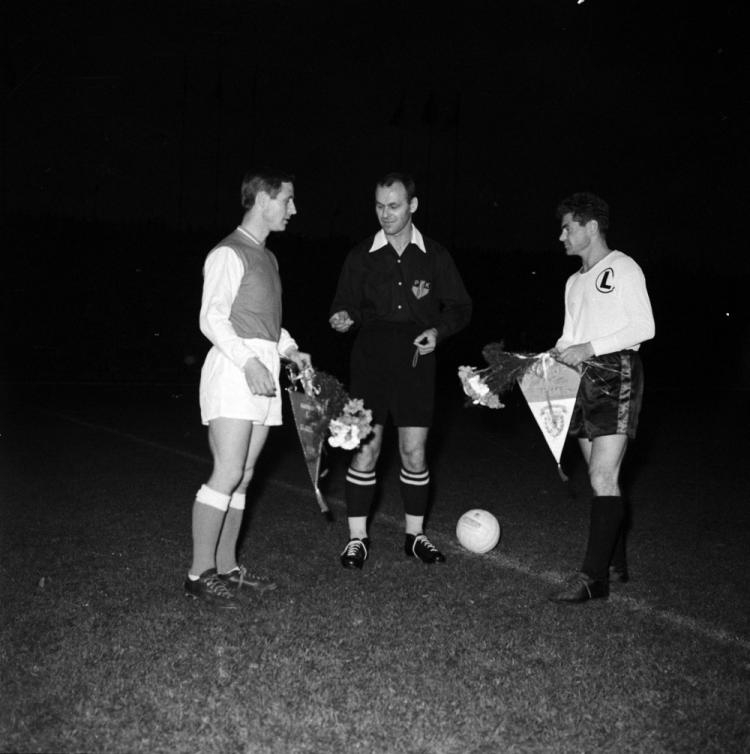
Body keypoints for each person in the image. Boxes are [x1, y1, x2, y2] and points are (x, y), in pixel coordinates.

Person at [329, 172, 472, 569]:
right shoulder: (361, 255)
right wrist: (341, 317)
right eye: (378, 206)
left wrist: (437, 331)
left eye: (393, 206)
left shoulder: (436, 255)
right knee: (366, 450)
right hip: (370, 361)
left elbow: (461, 308)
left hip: (416, 361)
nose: (384, 214)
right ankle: (357, 538)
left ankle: (415, 535)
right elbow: (343, 305)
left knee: (413, 452)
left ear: (413, 205)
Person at [185, 169, 311, 609]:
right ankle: (199, 573)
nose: (292, 210)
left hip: (263, 370)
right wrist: (250, 361)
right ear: (262, 199)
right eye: (287, 200)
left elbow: (265, 323)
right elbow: (212, 318)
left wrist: (291, 350)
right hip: (235, 371)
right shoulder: (228, 252)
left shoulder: (268, 257)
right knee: (228, 471)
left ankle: (227, 566)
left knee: (246, 475)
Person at [549, 191, 655, 603]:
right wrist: (548, 358)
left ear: (590, 228)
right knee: (600, 477)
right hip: (581, 380)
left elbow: (644, 327)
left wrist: (590, 348)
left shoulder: (623, 267)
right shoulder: (573, 281)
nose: (561, 236)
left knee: (601, 476)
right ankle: (615, 560)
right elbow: (569, 337)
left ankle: (594, 579)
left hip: (617, 374)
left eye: (567, 227)